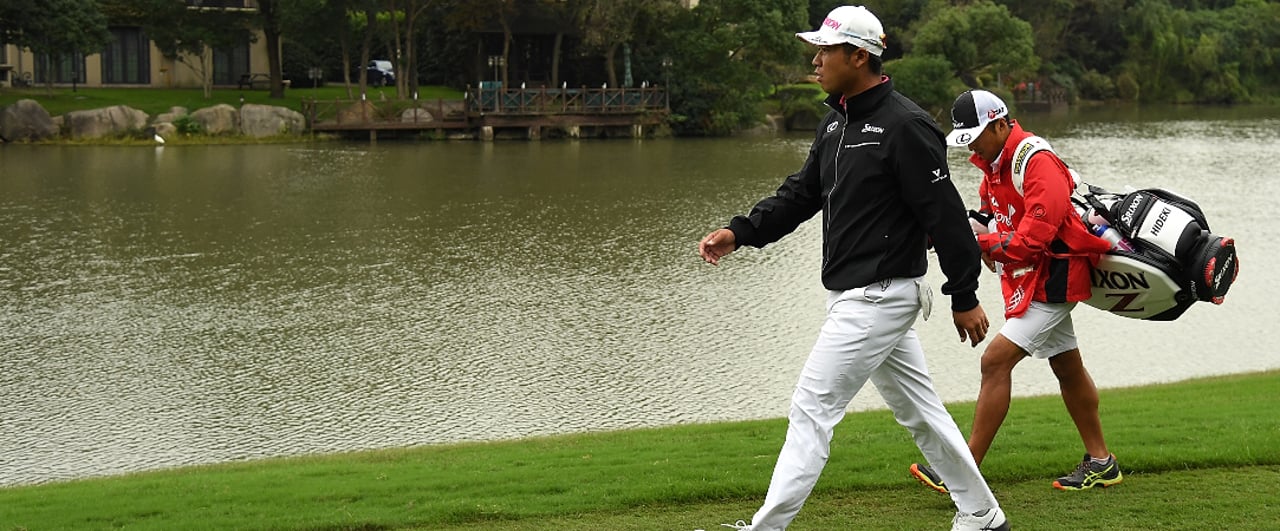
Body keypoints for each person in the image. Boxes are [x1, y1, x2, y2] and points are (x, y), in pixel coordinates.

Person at [696, 6, 1008, 531]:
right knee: (921, 413)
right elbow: (801, 193)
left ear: (859, 56)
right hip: (856, 296)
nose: (815, 60)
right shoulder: (837, 121)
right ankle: (982, 513)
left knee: (811, 408)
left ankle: (764, 528)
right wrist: (742, 232)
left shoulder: (906, 126)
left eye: (824, 51)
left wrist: (964, 295)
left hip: (879, 297)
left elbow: (946, 215)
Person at [908, 89, 1124, 495]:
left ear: (1001, 124)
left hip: (1055, 278)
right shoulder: (994, 163)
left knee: (994, 361)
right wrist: (951, 232)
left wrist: (977, 244)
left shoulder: (1036, 162)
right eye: (965, 137)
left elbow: (1030, 242)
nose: (971, 144)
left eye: (977, 134)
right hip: (1034, 278)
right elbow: (988, 213)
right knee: (1067, 368)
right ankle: (1102, 462)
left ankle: (964, 470)